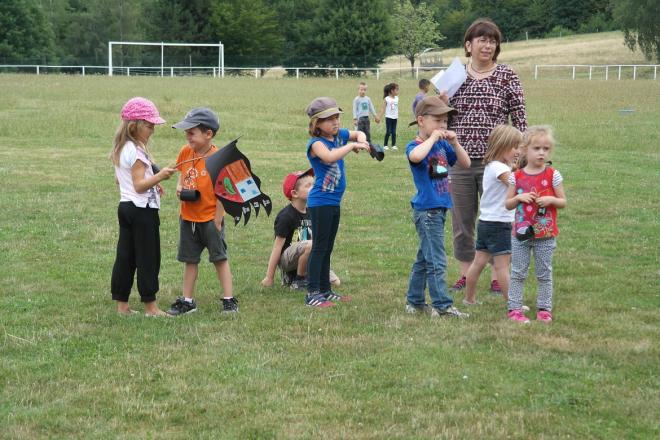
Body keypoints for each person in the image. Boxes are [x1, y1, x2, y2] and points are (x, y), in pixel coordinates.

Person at [446, 18, 527, 294]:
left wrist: (521, 159)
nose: (488, 45)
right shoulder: (455, 75)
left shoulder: (507, 75)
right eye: (482, 39)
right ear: (468, 45)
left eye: (492, 41)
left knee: (498, 219)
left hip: (498, 164)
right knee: (462, 222)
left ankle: (496, 275)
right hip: (459, 161)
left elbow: (520, 120)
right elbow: (439, 115)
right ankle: (465, 275)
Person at [166, 108, 239, 315]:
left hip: (210, 219)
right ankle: (187, 301)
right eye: (186, 132)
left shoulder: (218, 158)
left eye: (192, 132)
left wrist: (217, 219)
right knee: (190, 259)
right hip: (188, 218)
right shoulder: (185, 152)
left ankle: (228, 299)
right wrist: (179, 188)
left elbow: (225, 192)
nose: (187, 136)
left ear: (208, 134)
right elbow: (182, 175)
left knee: (219, 258)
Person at [405, 96, 471, 318]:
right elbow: (416, 157)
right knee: (437, 260)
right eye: (438, 121)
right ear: (421, 120)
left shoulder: (443, 145)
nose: (443, 126)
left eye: (445, 122)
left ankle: (414, 302)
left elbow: (465, 163)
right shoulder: (416, 146)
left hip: (440, 208)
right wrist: (432, 138)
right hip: (427, 210)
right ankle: (442, 306)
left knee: (425, 258)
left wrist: (454, 143)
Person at [109, 97, 176, 316]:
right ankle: (151, 306)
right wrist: (159, 177)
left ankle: (122, 305)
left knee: (126, 257)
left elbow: (122, 180)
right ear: (134, 125)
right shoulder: (137, 152)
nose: (152, 130)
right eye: (149, 125)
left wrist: (152, 182)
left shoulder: (122, 148)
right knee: (148, 257)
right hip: (142, 211)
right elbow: (139, 185)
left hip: (126, 208)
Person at [304, 97, 370, 307]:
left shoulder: (338, 136)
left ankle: (325, 289)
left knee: (328, 247)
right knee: (319, 247)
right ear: (317, 124)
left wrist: (363, 138)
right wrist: (352, 146)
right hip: (320, 203)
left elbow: (356, 132)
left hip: (333, 202)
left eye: (337, 117)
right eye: (329, 119)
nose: (335, 122)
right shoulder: (316, 144)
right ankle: (312, 292)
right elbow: (330, 157)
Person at [505, 126, 566, 323]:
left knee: (544, 273)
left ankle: (544, 309)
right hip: (521, 234)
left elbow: (562, 201)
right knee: (518, 272)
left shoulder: (553, 175)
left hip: (545, 235)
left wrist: (550, 200)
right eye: (537, 148)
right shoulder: (516, 176)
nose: (541, 152)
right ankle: (514, 309)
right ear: (524, 149)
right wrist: (519, 197)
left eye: (546, 149)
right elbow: (508, 204)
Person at [462, 125, 522, 306]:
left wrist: (514, 166)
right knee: (502, 266)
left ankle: (469, 299)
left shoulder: (493, 166)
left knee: (478, 263)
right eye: (515, 147)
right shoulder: (499, 169)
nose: (518, 151)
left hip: (486, 222)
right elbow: (516, 184)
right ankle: (513, 304)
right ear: (502, 146)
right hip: (499, 225)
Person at [260, 169, 341, 290]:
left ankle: (304, 275)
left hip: (308, 253)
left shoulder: (312, 212)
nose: (314, 187)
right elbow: (277, 247)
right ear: (294, 193)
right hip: (287, 259)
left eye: (314, 184)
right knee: (311, 245)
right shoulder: (286, 216)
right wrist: (269, 277)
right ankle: (298, 280)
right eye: (308, 186)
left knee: (335, 282)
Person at [375, 82, 399, 151]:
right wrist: (379, 117)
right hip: (388, 117)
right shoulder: (387, 99)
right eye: (396, 90)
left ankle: (393, 145)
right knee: (388, 131)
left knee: (394, 132)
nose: (397, 91)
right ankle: (385, 145)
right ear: (392, 91)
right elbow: (383, 109)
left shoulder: (397, 98)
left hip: (395, 117)